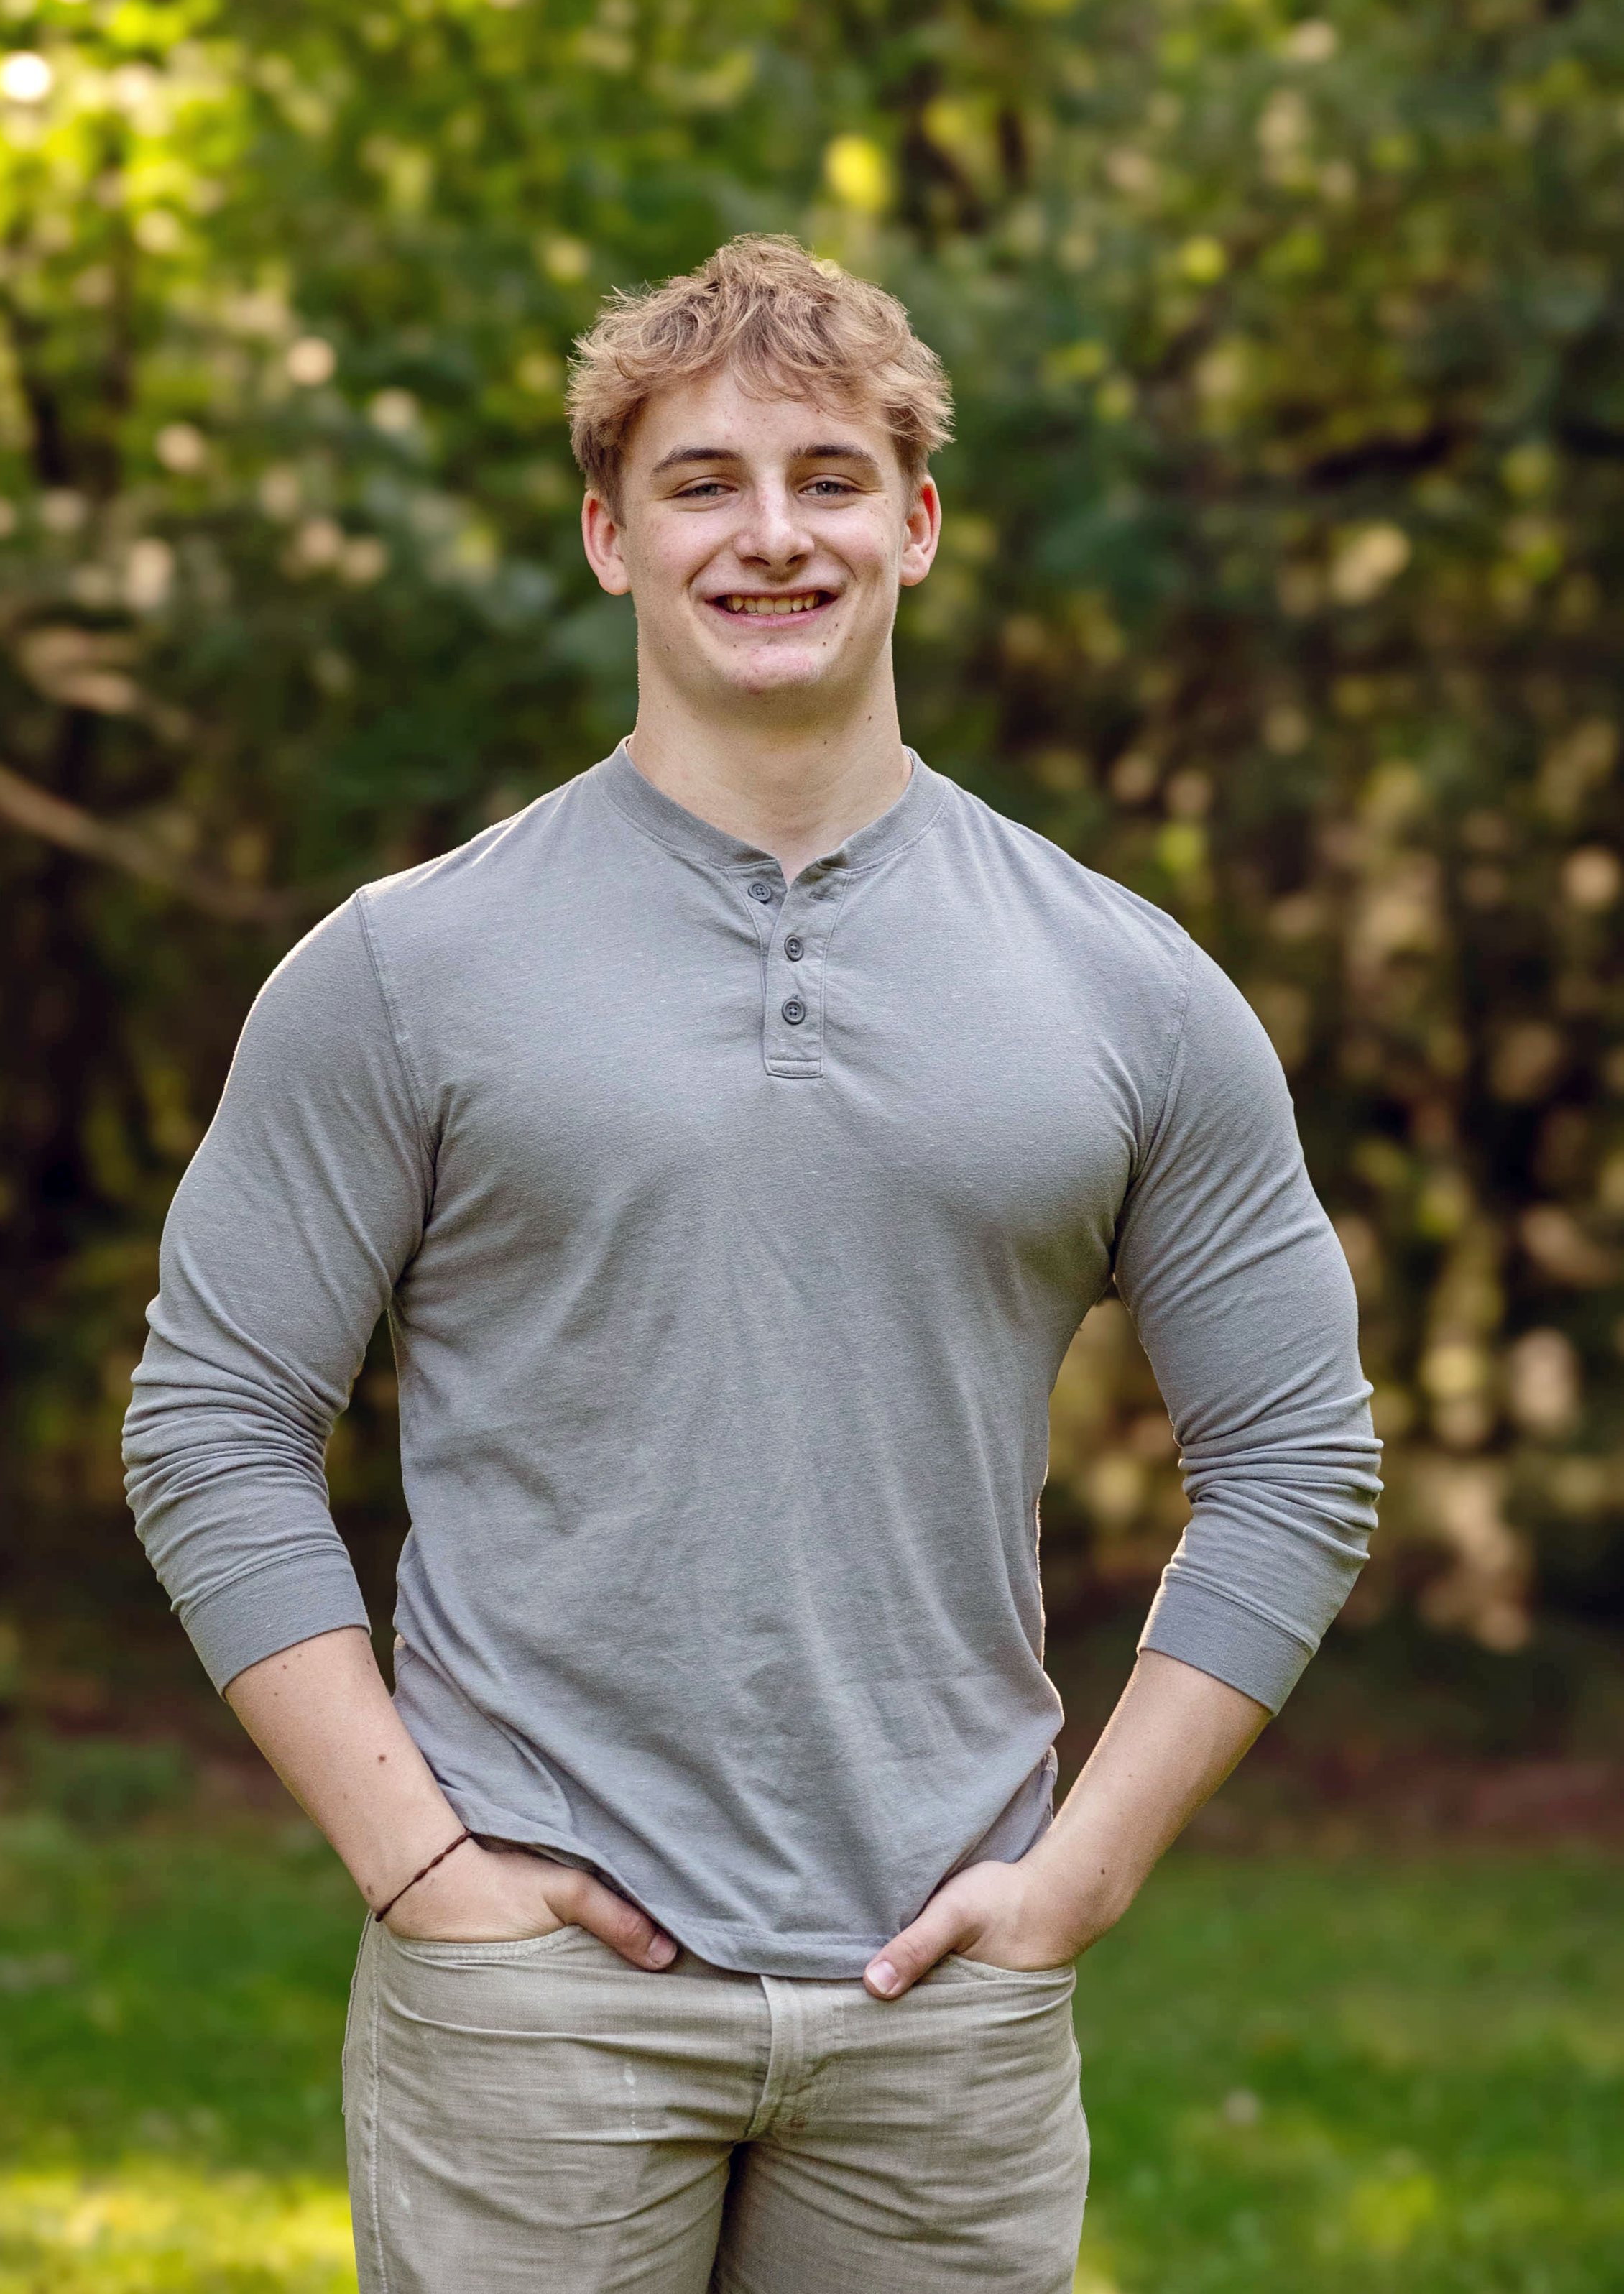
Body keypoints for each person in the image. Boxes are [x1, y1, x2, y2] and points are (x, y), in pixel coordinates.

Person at [124, 234, 1379, 2293]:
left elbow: (1299, 1456)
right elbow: (212, 1418)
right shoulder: (405, 967)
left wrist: (1078, 1875)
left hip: (942, 2011)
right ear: (610, 537)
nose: (770, 532)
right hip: (532, 2003)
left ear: (918, 521)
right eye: (702, 481)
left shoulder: (1125, 983)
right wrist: (418, 1861)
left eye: (824, 474)